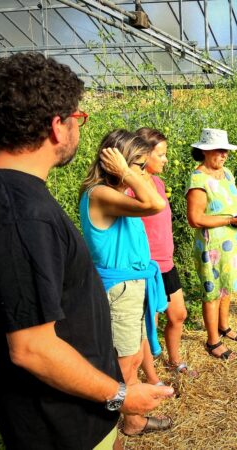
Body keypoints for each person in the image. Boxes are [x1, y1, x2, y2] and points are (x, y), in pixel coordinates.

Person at [0, 52, 172, 450]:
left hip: (65, 404)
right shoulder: (23, 213)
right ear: (57, 126)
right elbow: (33, 348)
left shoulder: (0, 190)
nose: (78, 130)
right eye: (78, 119)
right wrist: (123, 395)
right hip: (60, 418)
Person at [79, 129, 173, 437]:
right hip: (119, 290)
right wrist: (126, 173)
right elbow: (155, 204)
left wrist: (132, 174)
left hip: (130, 287)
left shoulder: (114, 195)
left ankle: (132, 421)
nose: (144, 174)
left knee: (132, 356)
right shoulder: (100, 194)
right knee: (124, 362)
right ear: (116, 163)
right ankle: (108, 429)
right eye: (139, 166)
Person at [135, 127, 198, 380]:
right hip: (147, 267)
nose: (165, 159)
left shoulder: (158, 183)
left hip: (166, 264)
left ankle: (174, 361)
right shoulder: (133, 188)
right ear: (143, 154)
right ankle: (150, 376)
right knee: (149, 323)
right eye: (160, 154)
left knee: (179, 314)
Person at [186, 128, 237, 361]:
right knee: (212, 292)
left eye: (226, 151)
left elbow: (235, 199)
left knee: (227, 286)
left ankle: (224, 327)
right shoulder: (198, 179)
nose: (224, 155)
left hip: (231, 241)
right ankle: (213, 340)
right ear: (204, 151)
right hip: (211, 246)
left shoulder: (227, 173)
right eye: (219, 150)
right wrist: (229, 219)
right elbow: (195, 219)